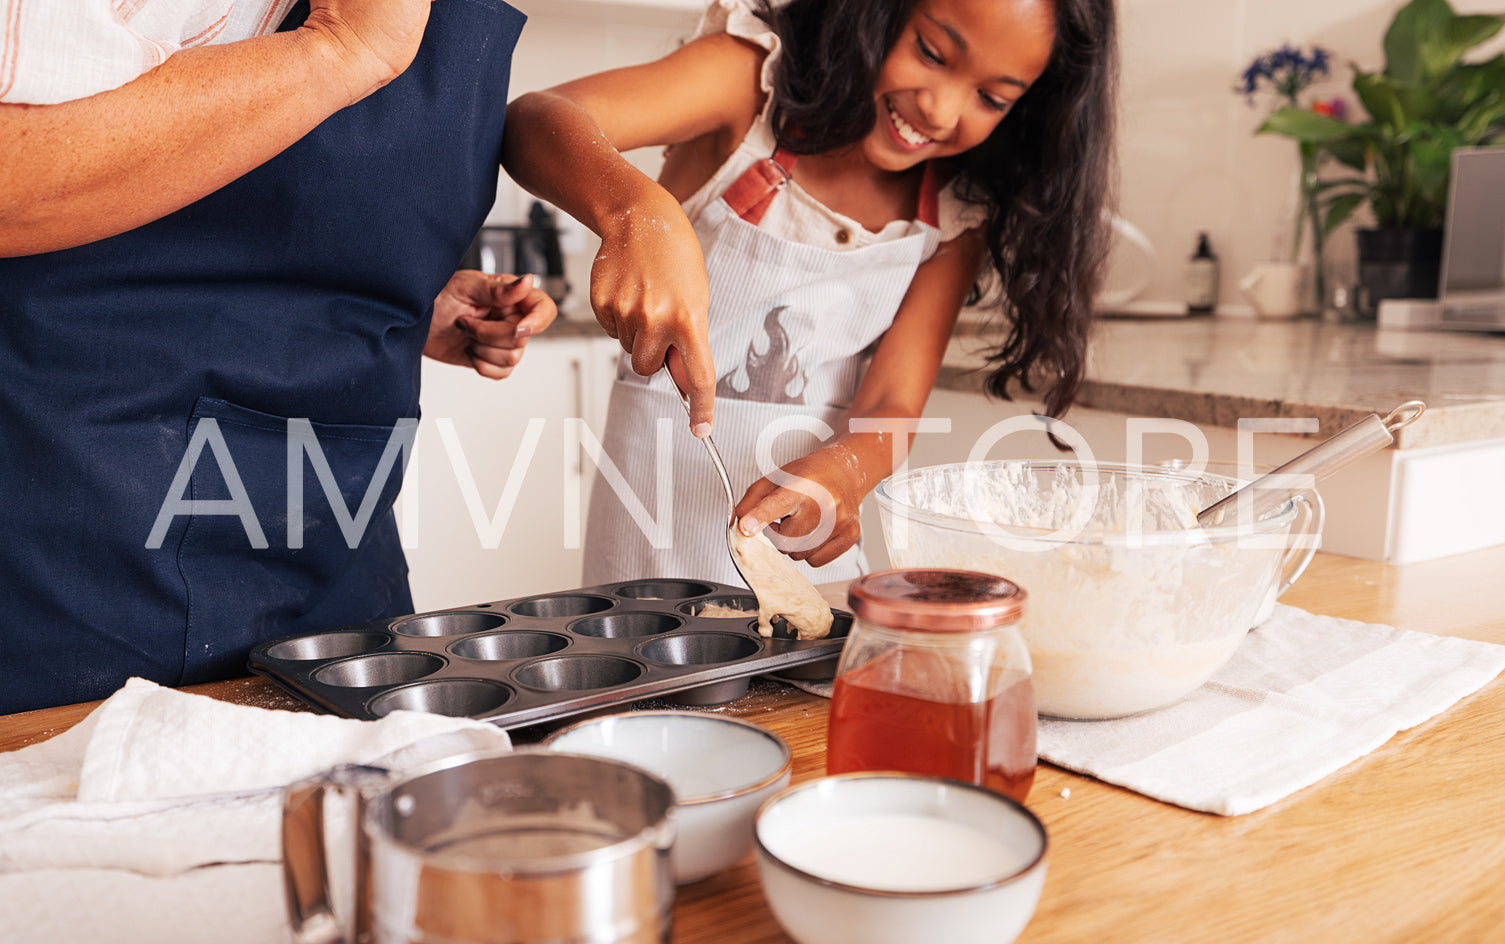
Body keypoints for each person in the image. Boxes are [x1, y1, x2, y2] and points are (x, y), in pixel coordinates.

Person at [0, 0, 561, 715]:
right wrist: (342, 50)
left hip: (335, 551)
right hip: (80, 539)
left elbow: (256, 217)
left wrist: (389, 300)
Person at [502, 0, 1118, 589]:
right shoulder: (750, 85)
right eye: (931, 52)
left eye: (992, 97)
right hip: (644, 546)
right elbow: (536, 120)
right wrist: (637, 213)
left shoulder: (954, 213)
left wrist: (843, 477)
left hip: (804, 558)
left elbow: (893, 400)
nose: (941, 108)